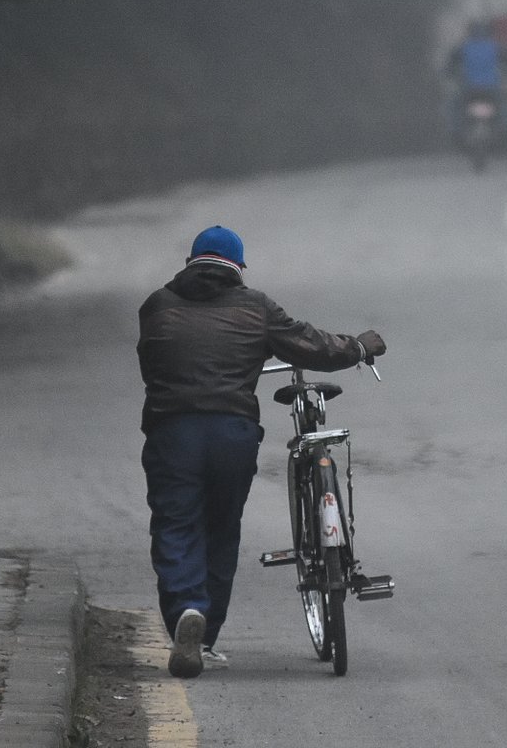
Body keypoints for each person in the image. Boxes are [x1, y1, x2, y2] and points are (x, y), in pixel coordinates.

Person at [136, 225, 386, 679]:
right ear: (238, 268)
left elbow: (151, 364)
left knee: (175, 526)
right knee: (220, 527)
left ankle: (186, 614)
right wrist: (359, 347)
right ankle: (205, 636)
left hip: (173, 432)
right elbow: (313, 346)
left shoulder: (156, 305)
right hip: (232, 432)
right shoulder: (255, 307)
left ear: (191, 262)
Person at [445, 20, 507, 137]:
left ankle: (455, 129)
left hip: (469, 89)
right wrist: (506, 74)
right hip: (491, 88)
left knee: (455, 106)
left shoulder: (464, 47)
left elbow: (450, 64)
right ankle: (503, 127)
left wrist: (450, 75)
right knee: (502, 106)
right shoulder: (496, 47)